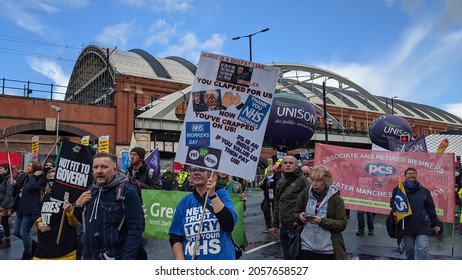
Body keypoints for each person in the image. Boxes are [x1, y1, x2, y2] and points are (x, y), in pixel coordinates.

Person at [71, 152, 143, 260]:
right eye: (96, 167)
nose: (99, 171)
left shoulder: (127, 191)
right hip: (90, 256)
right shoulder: (90, 190)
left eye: (104, 167)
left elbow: (136, 229)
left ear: (115, 170)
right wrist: (77, 205)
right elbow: (81, 222)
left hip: (115, 256)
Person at [168, 166, 238, 260]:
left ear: (210, 173)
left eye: (201, 170)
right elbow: (175, 236)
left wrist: (212, 195)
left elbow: (229, 225)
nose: (197, 172)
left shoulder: (221, 194)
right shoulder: (185, 201)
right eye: (193, 170)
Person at [295, 165, 347, 260]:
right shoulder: (305, 194)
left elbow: (342, 224)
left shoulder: (336, 199)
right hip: (306, 247)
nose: (314, 184)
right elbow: (295, 213)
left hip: (328, 249)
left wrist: (322, 221)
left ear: (326, 181)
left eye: (318, 180)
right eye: (312, 180)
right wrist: (300, 216)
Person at [390, 167, 443, 260]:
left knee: (422, 249)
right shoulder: (399, 189)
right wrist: (395, 210)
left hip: (422, 225)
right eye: (409, 173)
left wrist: (436, 223)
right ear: (405, 175)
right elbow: (393, 202)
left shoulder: (424, 191)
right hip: (406, 225)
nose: (411, 175)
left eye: (413, 173)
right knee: (409, 249)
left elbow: (430, 208)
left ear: (416, 175)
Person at [32, 168, 80, 260]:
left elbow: (76, 222)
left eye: (55, 176)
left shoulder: (69, 196)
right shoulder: (46, 195)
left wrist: (69, 210)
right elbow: (42, 215)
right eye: (50, 177)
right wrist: (38, 224)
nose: (52, 179)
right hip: (43, 246)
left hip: (63, 250)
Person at [271, 155, 310, 259]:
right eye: (285, 163)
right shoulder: (280, 181)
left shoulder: (303, 181)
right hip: (284, 227)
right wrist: (275, 224)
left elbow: (310, 202)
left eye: (291, 163)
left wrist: (300, 220)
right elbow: (277, 203)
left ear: (296, 165)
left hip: (297, 228)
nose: (288, 165)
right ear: (282, 166)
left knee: (298, 259)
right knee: (287, 258)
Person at [11, 161, 46, 259]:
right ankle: (34, 245)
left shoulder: (40, 179)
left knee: (24, 232)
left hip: (30, 210)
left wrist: (34, 177)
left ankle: (28, 252)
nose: (26, 166)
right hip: (20, 208)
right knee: (16, 232)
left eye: (29, 166)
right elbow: (19, 190)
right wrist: (14, 185)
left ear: (34, 169)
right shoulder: (25, 177)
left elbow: (31, 187)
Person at [258, 166, 279, 232]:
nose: (269, 174)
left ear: (273, 172)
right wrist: (261, 184)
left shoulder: (276, 178)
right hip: (267, 197)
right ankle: (268, 225)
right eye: (268, 172)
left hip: (275, 197)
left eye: (270, 172)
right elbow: (263, 188)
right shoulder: (265, 179)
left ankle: (276, 224)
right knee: (265, 209)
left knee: (275, 210)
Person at [0, 163, 14, 248]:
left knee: (4, 223)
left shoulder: (9, 179)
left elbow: (9, 193)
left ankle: (7, 240)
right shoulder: (1, 178)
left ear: (6, 170)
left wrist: (4, 205)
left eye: (1, 168)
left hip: (4, 204)